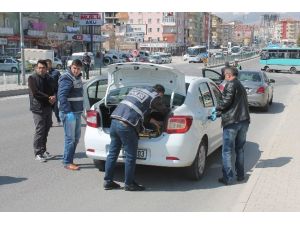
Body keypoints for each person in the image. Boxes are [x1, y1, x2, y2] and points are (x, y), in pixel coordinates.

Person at [104, 84, 170, 191]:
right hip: (126, 126)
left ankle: (108, 181)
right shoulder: (154, 95)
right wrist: (168, 110)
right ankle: (129, 184)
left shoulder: (137, 90)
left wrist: (152, 120)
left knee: (112, 153)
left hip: (115, 121)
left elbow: (138, 109)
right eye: (161, 97)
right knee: (130, 156)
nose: (160, 98)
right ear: (159, 93)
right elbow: (162, 109)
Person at [215, 66, 250, 185]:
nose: (224, 77)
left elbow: (226, 102)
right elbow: (235, 103)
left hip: (232, 122)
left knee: (227, 151)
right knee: (240, 149)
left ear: (229, 75)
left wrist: (216, 108)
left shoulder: (230, 84)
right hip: (244, 121)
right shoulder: (240, 85)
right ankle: (240, 175)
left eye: (225, 75)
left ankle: (228, 178)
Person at [58, 59, 84, 171]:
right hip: (69, 113)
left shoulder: (78, 78)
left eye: (78, 69)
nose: (76, 71)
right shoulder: (66, 78)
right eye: (74, 68)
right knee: (70, 139)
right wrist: (68, 112)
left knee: (76, 138)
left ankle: (69, 159)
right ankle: (67, 162)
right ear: (71, 67)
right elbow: (62, 96)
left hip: (77, 112)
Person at [28, 60, 56, 162]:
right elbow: (35, 93)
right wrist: (49, 97)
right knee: (40, 131)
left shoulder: (48, 78)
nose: (41, 69)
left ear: (46, 68)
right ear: (36, 68)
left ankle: (43, 151)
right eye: (39, 67)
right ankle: (37, 153)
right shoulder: (32, 78)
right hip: (38, 109)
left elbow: (53, 89)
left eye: (43, 67)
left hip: (48, 107)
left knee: (46, 130)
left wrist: (53, 97)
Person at [46, 59, 61, 126]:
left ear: (51, 64)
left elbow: (61, 80)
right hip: (47, 93)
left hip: (55, 91)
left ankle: (58, 119)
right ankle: (50, 122)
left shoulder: (56, 72)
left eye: (49, 64)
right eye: (46, 64)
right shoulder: (43, 73)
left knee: (55, 108)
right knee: (49, 108)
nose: (48, 65)